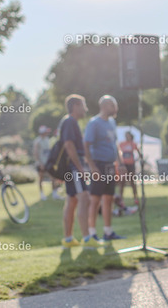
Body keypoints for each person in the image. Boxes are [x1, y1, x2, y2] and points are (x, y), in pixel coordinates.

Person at [84, 95, 124, 245]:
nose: (116, 109)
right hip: (98, 165)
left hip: (110, 165)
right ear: (105, 106)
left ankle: (108, 232)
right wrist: (92, 167)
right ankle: (92, 233)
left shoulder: (112, 122)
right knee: (95, 199)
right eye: (113, 105)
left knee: (109, 198)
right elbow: (86, 145)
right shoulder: (94, 123)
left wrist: (120, 163)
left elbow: (115, 144)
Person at [59, 94, 91, 248]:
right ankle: (87, 238)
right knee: (84, 198)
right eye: (83, 105)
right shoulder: (70, 121)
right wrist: (80, 168)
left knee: (72, 200)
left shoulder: (70, 122)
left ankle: (68, 239)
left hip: (72, 167)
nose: (86, 109)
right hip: (74, 167)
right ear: (76, 106)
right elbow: (69, 145)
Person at [34, 126, 62, 201]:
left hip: (48, 163)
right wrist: (40, 163)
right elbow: (36, 153)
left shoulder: (47, 140)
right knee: (41, 178)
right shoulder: (38, 141)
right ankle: (42, 194)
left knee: (53, 177)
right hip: (41, 163)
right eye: (46, 132)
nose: (47, 133)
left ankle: (54, 193)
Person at [118, 131, 140, 209]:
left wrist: (137, 159)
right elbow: (118, 152)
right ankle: (120, 199)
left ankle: (135, 198)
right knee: (122, 182)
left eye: (128, 135)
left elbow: (139, 153)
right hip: (124, 165)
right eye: (126, 135)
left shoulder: (133, 144)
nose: (127, 137)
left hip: (131, 165)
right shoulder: (122, 144)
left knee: (132, 182)